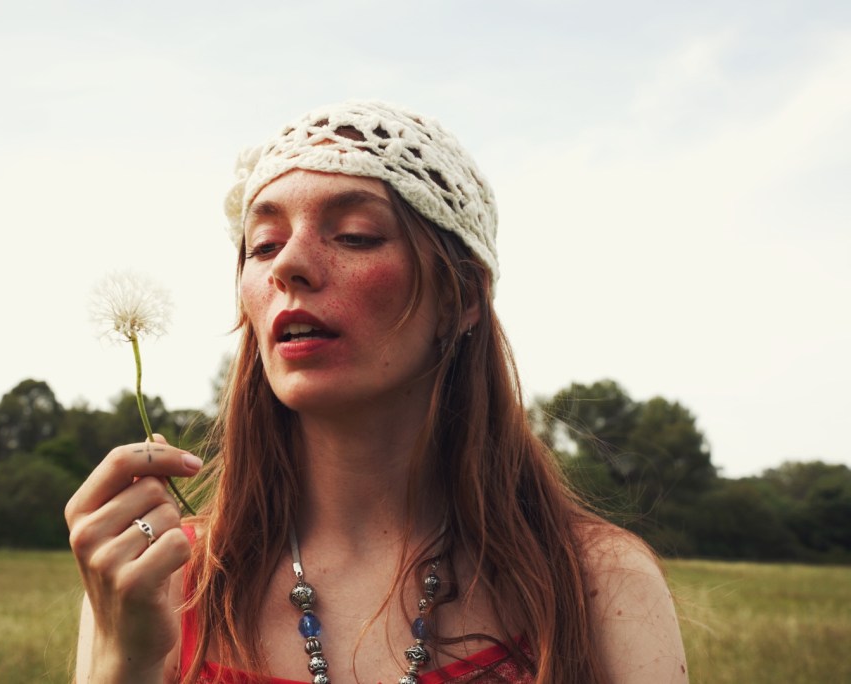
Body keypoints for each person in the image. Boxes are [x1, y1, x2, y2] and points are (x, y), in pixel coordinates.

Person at [65, 100, 689, 684]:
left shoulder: (599, 585)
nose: (287, 266)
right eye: (264, 245)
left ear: (461, 298)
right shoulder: (158, 577)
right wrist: (123, 663)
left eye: (355, 234)